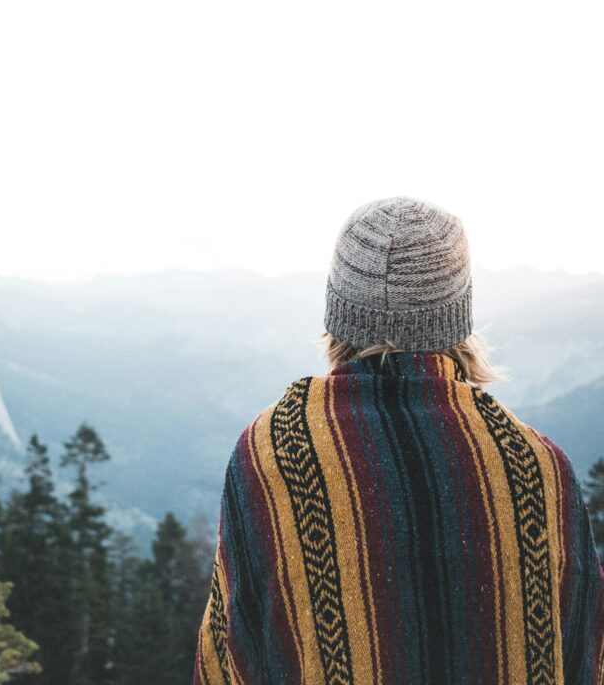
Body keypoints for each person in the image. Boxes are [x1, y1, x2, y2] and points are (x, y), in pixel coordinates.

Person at [192, 197, 604, 684]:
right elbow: (584, 657)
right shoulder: (537, 467)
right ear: (457, 318)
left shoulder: (273, 453)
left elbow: (232, 654)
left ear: (338, 316)